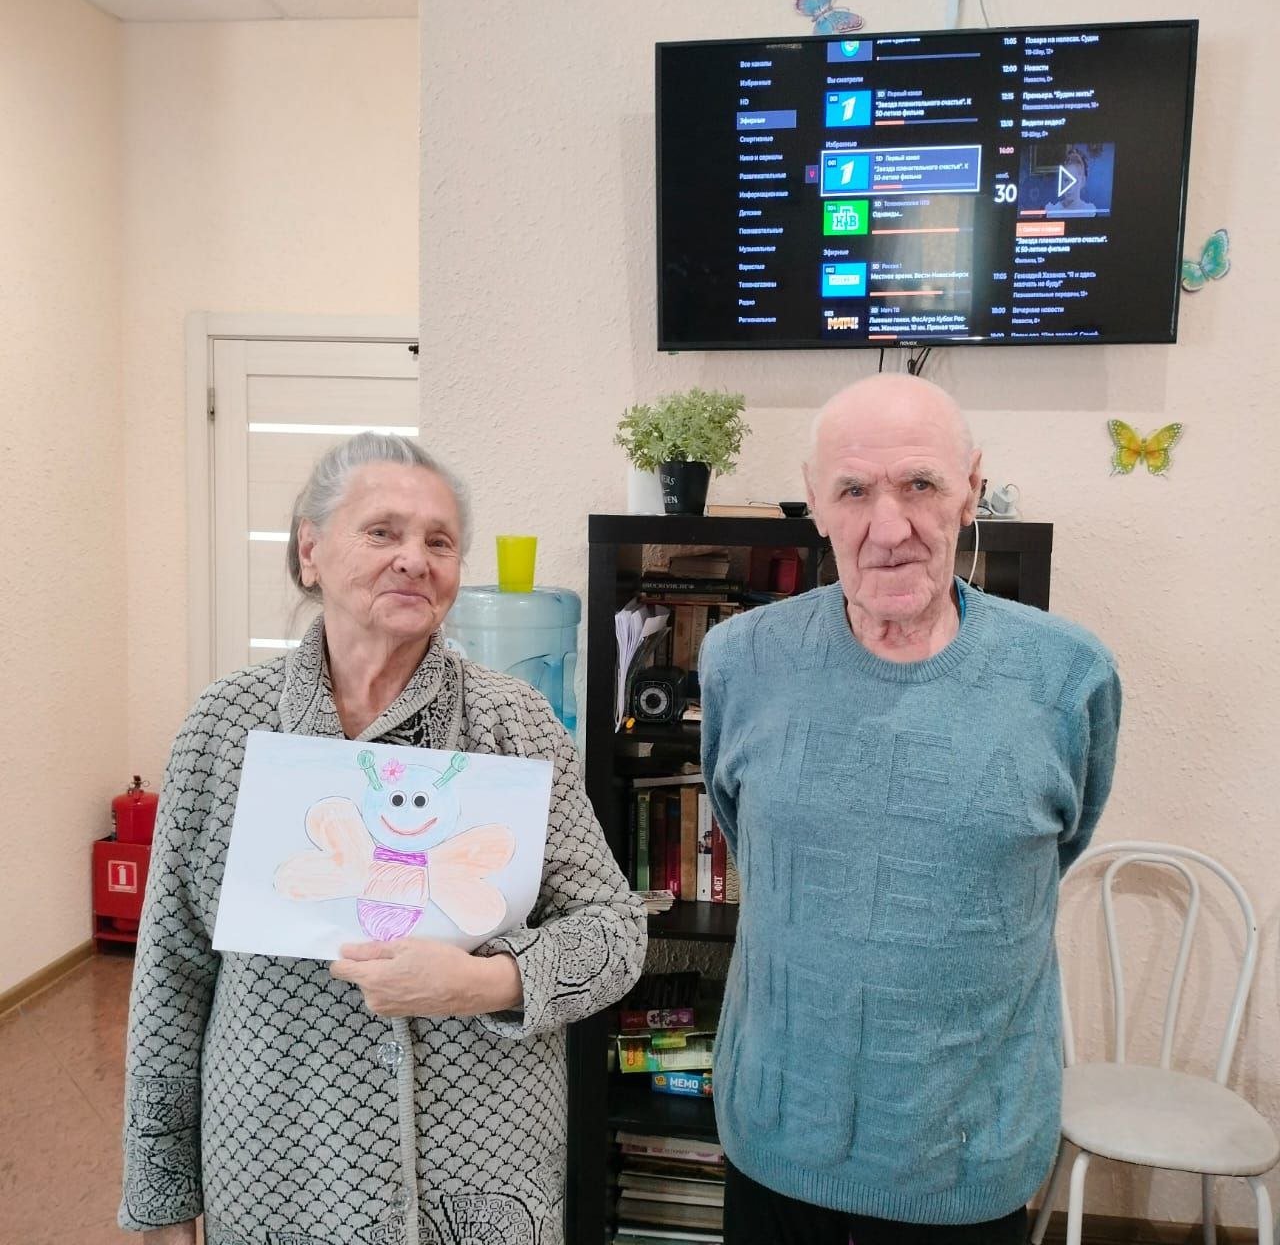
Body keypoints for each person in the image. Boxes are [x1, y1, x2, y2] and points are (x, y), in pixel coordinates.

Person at [120, 432, 646, 1245]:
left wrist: (486, 982)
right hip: (278, 1161)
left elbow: (613, 934)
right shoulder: (227, 726)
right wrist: (161, 1198)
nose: (414, 559)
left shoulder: (514, 723)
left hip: (480, 1165)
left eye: (439, 541)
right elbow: (171, 970)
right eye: (382, 532)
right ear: (310, 551)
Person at [699, 374, 1121, 1245]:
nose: (888, 528)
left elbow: (1053, 850)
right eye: (854, 491)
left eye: (920, 484)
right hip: (777, 1137)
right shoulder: (740, 659)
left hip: (966, 1159)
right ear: (815, 503)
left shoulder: (1068, 676)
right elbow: (753, 839)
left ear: (971, 488)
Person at [1044, 147, 1097, 217]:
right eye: (1066, 180)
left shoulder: (1089, 212)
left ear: (1083, 182)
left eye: (1074, 181)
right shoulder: (1053, 212)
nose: (1069, 187)